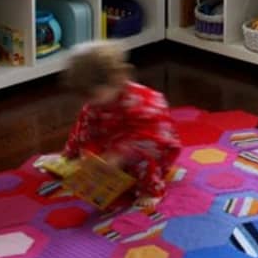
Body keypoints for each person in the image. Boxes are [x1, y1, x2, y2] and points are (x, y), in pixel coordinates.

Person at [62, 41, 181, 207]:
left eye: (92, 95)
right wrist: (82, 152)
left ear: (116, 80)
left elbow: (152, 137)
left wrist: (120, 154)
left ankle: (152, 190)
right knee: (85, 121)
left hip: (149, 147)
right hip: (113, 141)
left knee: (143, 161)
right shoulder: (95, 104)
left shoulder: (142, 103)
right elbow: (86, 127)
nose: (89, 101)